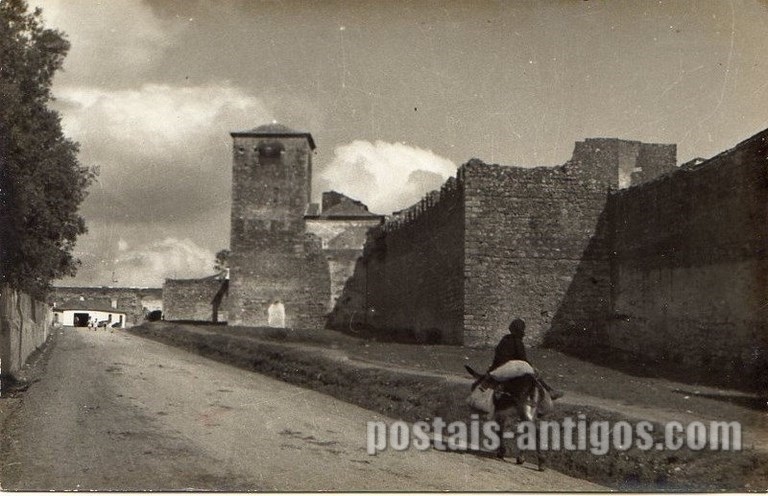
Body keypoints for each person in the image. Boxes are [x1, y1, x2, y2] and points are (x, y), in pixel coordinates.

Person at [489, 318, 563, 400]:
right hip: (507, 368)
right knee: (532, 372)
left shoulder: (505, 339)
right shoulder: (517, 341)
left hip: (496, 369)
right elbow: (523, 358)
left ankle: (548, 390)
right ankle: (548, 390)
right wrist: (532, 367)